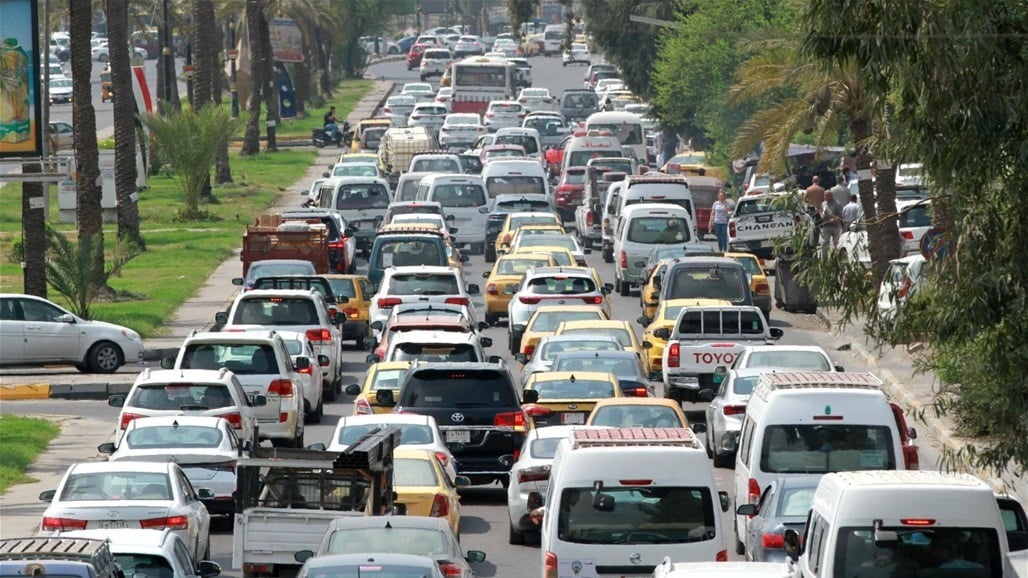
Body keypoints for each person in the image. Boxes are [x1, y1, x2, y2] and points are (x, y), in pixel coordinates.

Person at [820, 189, 844, 254]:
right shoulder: (823, 203)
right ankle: (824, 259)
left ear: (831, 196)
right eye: (824, 196)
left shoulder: (837, 204)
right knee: (825, 242)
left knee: (836, 243)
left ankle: (837, 258)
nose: (825, 197)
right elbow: (821, 214)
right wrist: (822, 215)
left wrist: (834, 219)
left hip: (835, 226)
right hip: (826, 226)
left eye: (826, 196)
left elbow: (840, 215)